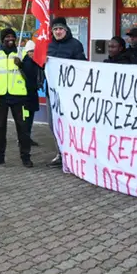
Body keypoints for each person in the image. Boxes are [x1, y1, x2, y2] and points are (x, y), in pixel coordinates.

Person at [0, 28, 37, 168]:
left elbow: (32, 73)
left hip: (19, 97)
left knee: (23, 128)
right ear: (2, 39)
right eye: (7, 37)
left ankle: (25, 157)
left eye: (12, 37)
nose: (10, 39)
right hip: (0, 97)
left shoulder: (22, 54)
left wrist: (22, 65)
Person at [46, 17, 87, 168]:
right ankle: (60, 153)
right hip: (52, 92)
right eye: (55, 29)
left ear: (66, 30)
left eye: (60, 29)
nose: (58, 31)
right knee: (53, 124)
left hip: (69, 93)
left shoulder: (75, 45)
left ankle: (73, 153)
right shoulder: (47, 45)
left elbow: (81, 65)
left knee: (69, 124)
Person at [21, 40, 41, 147]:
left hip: (32, 94)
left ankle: (27, 138)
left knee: (30, 118)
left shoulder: (34, 62)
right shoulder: (27, 63)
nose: (32, 53)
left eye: (34, 51)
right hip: (26, 96)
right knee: (26, 119)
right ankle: (24, 139)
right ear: (27, 52)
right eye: (30, 51)